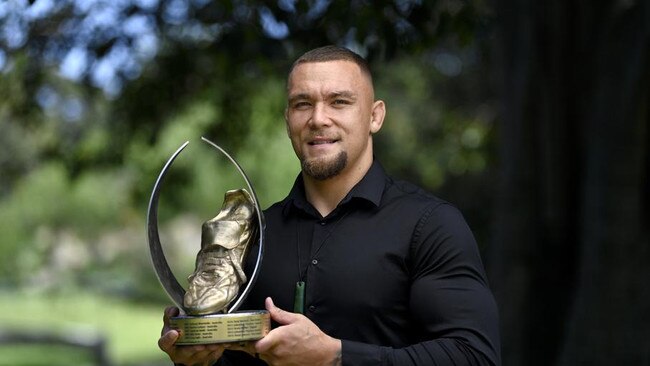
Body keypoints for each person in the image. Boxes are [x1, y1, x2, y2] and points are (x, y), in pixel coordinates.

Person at [158, 45, 501, 366]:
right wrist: (200, 359)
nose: (318, 119)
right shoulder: (256, 233)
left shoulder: (430, 224)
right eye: (302, 103)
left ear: (374, 116)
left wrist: (336, 356)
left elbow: (473, 356)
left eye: (339, 102)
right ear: (287, 118)